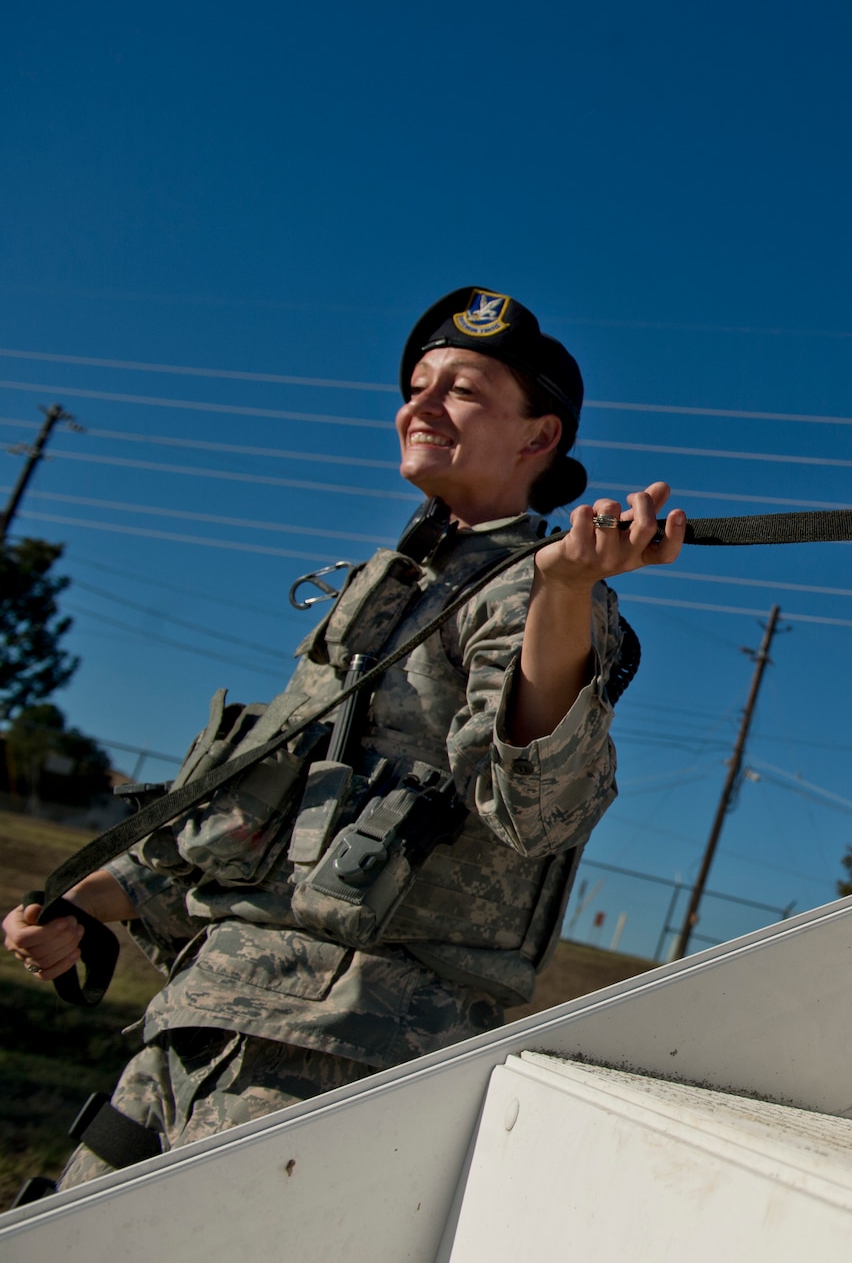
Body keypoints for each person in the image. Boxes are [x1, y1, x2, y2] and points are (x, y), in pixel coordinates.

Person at [2, 287, 685, 1187]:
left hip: (336, 1053)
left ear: (538, 437)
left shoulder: (542, 592)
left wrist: (562, 593)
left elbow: (537, 810)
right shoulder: (384, 583)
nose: (421, 404)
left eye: (463, 389)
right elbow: (270, 800)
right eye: (417, 383)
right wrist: (94, 900)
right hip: (196, 1022)